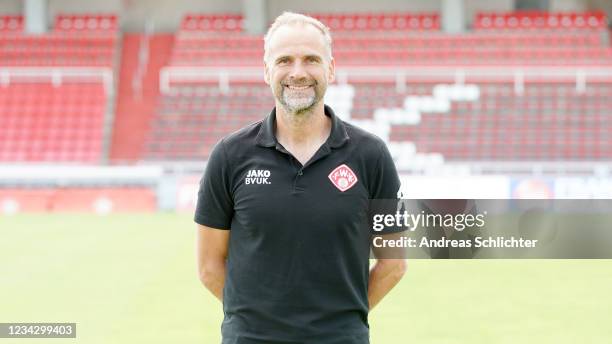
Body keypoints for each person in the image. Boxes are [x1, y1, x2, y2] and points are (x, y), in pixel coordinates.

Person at [195, 12, 406, 344]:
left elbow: (393, 265)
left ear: (330, 69)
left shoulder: (371, 156)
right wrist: (258, 323)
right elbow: (208, 266)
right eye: (284, 60)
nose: (298, 72)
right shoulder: (230, 156)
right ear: (267, 71)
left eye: (311, 59)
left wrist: (338, 324)